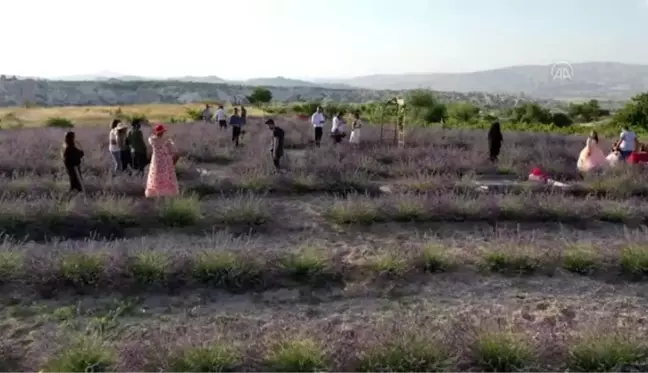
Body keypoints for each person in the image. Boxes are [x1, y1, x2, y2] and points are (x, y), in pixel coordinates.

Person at [145, 124, 180, 198]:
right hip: (165, 159)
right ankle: (166, 192)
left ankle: (156, 191)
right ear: (163, 132)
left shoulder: (152, 140)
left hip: (156, 159)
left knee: (156, 174)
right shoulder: (167, 140)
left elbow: (150, 138)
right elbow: (175, 151)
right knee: (166, 175)